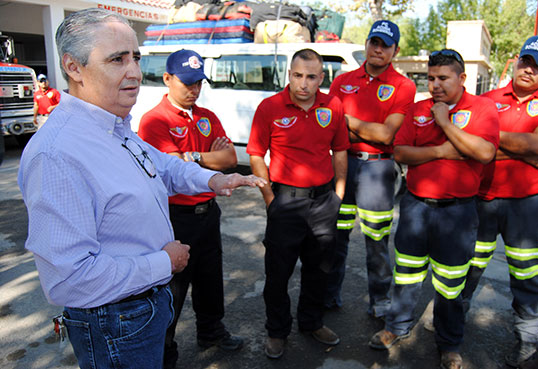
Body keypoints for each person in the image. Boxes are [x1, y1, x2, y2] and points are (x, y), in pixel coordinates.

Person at [17, 8, 265, 369]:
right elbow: (71, 279)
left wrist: (214, 180)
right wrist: (164, 262)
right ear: (73, 67)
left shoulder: (114, 128)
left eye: (135, 57)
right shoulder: (57, 153)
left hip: (141, 306)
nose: (134, 72)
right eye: (117, 60)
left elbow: (162, 165)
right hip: (115, 320)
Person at [369, 49, 499, 369]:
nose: (436, 84)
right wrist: (444, 149)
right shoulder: (417, 109)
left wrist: (445, 123)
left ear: (462, 78)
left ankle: (449, 343)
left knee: (450, 282)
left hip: (458, 212)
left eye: (443, 78)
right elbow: (400, 152)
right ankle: (396, 327)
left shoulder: (482, 108)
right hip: (416, 207)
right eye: (431, 78)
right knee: (407, 274)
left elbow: (483, 152)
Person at [138, 49, 243, 369]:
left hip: (207, 213)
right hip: (174, 218)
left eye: (199, 82)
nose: (194, 89)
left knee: (210, 278)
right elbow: (169, 167)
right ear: (167, 78)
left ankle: (210, 330)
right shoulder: (154, 120)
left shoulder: (207, 116)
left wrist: (191, 156)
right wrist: (203, 156)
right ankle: (164, 349)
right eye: (187, 82)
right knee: (172, 288)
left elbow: (229, 161)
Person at [247, 48, 350, 359]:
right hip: (285, 201)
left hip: (323, 201)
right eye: (297, 75)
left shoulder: (333, 105)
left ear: (321, 77)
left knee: (319, 269)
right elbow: (255, 154)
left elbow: (341, 150)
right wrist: (269, 198)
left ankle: (311, 322)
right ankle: (277, 331)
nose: (303, 83)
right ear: (289, 74)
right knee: (278, 273)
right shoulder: (270, 107)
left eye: (311, 77)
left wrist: (339, 194)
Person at [461, 35, 538, 368]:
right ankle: (449, 322)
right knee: (467, 265)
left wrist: (492, 142)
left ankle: (528, 341)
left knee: (528, 274)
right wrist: (524, 151)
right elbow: (470, 143)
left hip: (527, 205)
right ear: (516, 59)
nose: (528, 69)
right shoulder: (487, 98)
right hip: (483, 198)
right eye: (525, 61)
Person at [325, 20, 416, 316]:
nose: (378, 49)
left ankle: (379, 301)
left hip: (378, 171)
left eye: (385, 45)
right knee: (335, 237)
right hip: (342, 165)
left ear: (395, 50)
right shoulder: (342, 81)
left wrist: (347, 121)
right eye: (374, 42)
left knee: (377, 241)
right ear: (366, 44)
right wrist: (368, 130)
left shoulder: (403, 86)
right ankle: (329, 296)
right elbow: (332, 129)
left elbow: (387, 135)